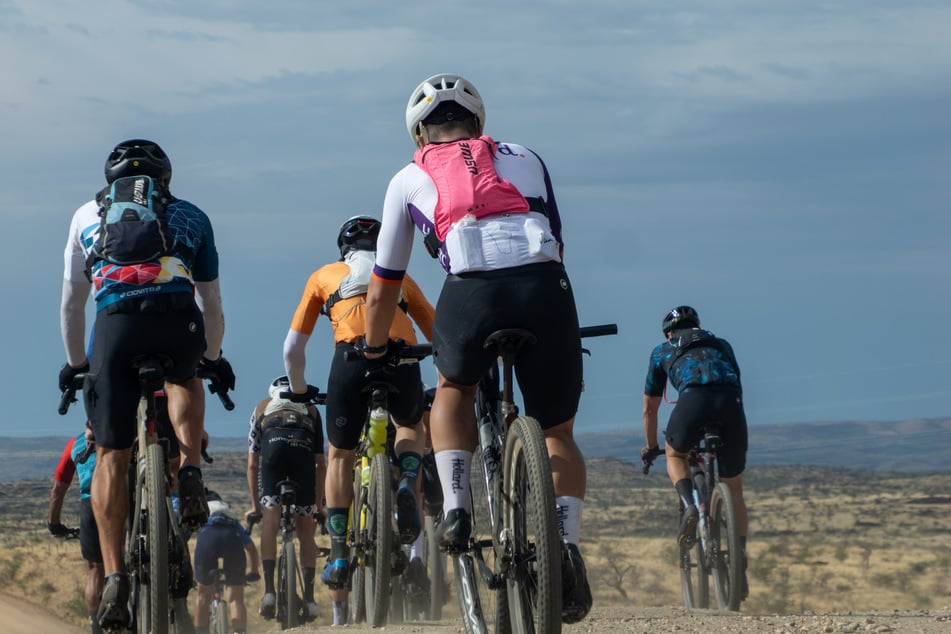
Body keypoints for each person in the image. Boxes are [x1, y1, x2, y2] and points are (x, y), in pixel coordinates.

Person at [362, 73, 592, 624]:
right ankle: (565, 545)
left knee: (453, 388)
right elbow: (557, 239)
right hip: (544, 288)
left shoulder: (407, 177)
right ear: (480, 124)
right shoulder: (527, 156)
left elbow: (385, 284)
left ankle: (459, 509)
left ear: (419, 135)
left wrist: (374, 350)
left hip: (471, 293)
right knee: (557, 430)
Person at [58, 139, 235, 630]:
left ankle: (114, 574)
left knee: (112, 454)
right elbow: (212, 302)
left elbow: (72, 305)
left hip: (114, 329)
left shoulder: (84, 217)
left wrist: (77, 364)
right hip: (177, 322)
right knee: (186, 378)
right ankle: (192, 471)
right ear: (167, 180)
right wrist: (213, 358)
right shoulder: (191, 216)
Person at [282, 215, 434, 626]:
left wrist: (298, 389)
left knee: (340, 455)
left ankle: (339, 553)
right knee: (410, 427)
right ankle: (405, 482)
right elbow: (437, 331)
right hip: (402, 356)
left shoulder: (324, 276)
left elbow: (293, 347)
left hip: (349, 358)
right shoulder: (399, 277)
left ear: (343, 248)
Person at [640, 305, 749, 597]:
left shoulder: (662, 351)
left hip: (693, 401)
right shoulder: (721, 344)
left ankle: (690, 504)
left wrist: (652, 448)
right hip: (730, 404)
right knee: (734, 489)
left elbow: (650, 409)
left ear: (669, 332)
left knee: (675, 454)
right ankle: (740, 560)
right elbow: (735, 380)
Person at [246, 377, 327, 622]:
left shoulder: (262, 407)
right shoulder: (311, 409)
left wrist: (255, 506)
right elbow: (320, 464)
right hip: (302, 455)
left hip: (273, 455)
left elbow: (252, 464)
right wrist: (318, 506)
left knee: (270, 523)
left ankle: (269, 592)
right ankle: (311, 599)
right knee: (305, 532)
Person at [47, 422, 104, 634]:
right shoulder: (118, 431)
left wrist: (54, 523)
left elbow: (58, 489)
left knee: (94, 570)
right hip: (118, 498)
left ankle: (96, 627)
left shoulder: (76, 443)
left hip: (88, 504)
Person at [192, 492, 260, 634]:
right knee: (236, 598)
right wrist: (254, 571)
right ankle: (239, 632)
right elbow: (251, 549)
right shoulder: (232, 520)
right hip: (231, 537)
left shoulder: (200, 515)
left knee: (203, 594)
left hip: (207, 537)